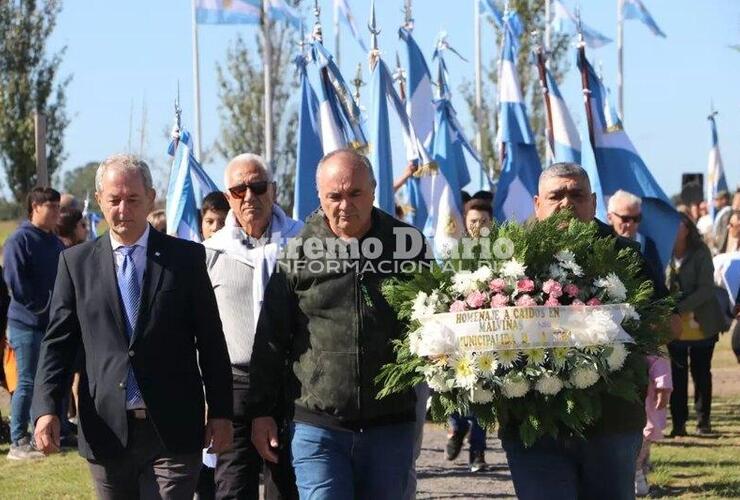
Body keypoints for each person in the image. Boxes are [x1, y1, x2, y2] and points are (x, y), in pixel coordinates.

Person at [31, 154, 234, 498]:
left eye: (132, 199)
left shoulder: (185, 259)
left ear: (151, 198)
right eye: (114, 200)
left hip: (173, 426)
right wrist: (46, 409)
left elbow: (211, 340)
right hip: (106, 427)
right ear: (99, 201)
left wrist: (221, 412)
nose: (123, 209)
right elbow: (58, 344)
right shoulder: (75, 264)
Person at [248, 149, 429, 499]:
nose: (345, 205)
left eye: (354, 194)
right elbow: (270, 340)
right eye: (334, 196)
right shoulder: (297, 255)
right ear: (320, 195)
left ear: (374, 190)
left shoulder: (409, 246)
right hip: (319, 427)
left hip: (390, 425)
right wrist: (261, 413)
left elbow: (433, 322)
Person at [500, 162, 666, 500]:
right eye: (556, 195)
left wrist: (625, 320)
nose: (566, 203)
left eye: (576, 195)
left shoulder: (628, 256)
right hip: (532, 423)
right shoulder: (508, 258)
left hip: (611, 423)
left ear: (592, 202)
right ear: (537, 204)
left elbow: (667, 322)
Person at [204, 153, 302, 499]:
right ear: (228, 196)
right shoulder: (209, 253)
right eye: (239, 188)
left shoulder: (304, 244)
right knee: (231, 490)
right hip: (234, 388)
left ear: (273, 190)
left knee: (287, 490)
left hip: (292, 386)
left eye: (258, 186)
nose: (249, 196)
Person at [3, 187, 64, 460]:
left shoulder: (54, 242)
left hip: (51, 324)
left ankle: (44, 434)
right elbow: (16, 283)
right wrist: (42, 306)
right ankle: (18, 440)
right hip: (26, 324)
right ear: (35, 207)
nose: (56, 213)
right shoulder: (20, 239)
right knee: (25, 382)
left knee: (47, 380)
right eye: (51, 207)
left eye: (58, 207)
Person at [666, 212, 725, 436]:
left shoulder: (701, 252)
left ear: (687, 228)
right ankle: (678, 425)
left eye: (678, 224)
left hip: (703, 322)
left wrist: (679, 307)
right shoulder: (666, 251)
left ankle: (703, 422)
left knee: (701, 374)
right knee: (677, 376)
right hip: (675, 326)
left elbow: (706, 289)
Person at [634, 356, 672, 497]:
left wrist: (663, 389)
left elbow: (660, 365)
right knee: (640, 448)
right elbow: (660, 366)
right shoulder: (650, 345)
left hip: (647, 403)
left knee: (642, 448)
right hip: (643, 404)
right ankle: (639, 482)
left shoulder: (652, 346)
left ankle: (640, 480)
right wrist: (663, 388)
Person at [607, 189, 664, 282]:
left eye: (636, 218)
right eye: (625, 218)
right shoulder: (601, 241)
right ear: (610, 217)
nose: (630, 224)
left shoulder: (647, 245)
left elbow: (658, 281)